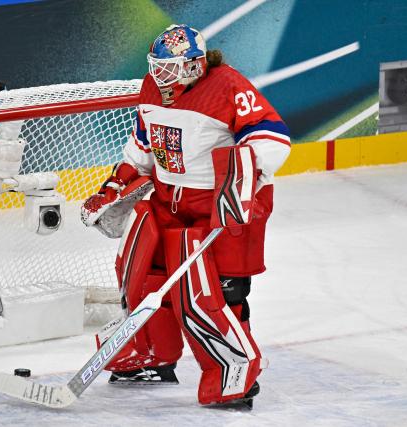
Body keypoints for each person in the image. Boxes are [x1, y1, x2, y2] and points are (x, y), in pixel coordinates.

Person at [81, 24, 291, 407]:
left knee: (218, 294)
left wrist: (239, 180)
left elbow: (272, 139)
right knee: (144, 278)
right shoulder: (151, 89)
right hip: (165, 204)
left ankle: (235, 372)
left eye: (170, 68)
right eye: (156, 67)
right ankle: (149, 356)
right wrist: (116, 185)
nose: (160, 76)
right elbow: (143, 147)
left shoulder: (228, 86)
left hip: (219, 209)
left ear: (195, 65)